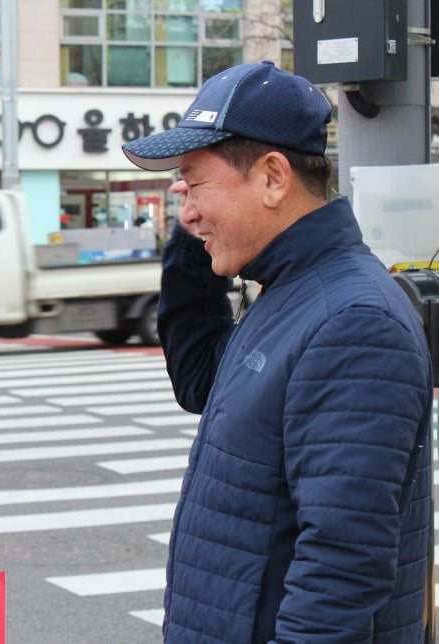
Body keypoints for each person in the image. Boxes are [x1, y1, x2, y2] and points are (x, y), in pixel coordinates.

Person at [122, 61, 433, 642]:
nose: (185, 208)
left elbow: (341, 568)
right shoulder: (292, 293)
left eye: (196, 184)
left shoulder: (351, 320)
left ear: (272, 177)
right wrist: (196, 241)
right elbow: (199, 382)